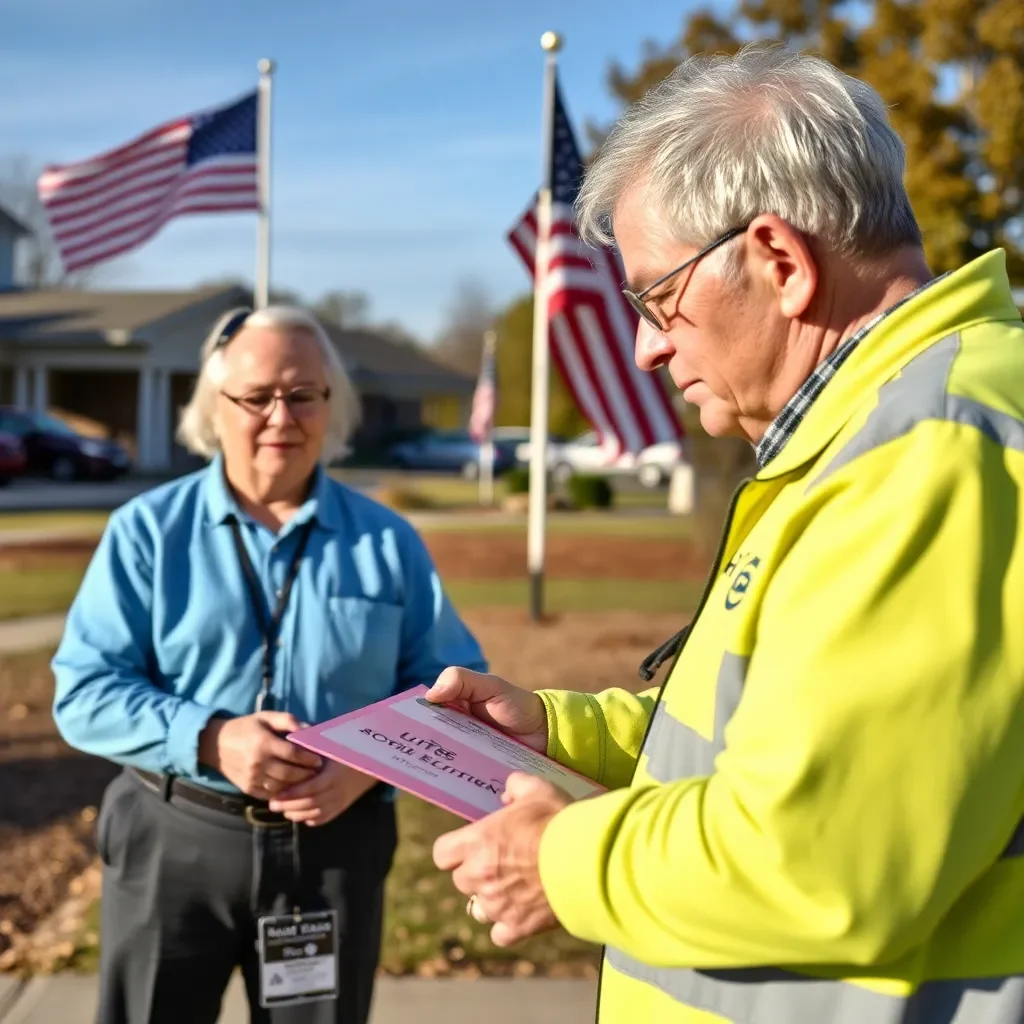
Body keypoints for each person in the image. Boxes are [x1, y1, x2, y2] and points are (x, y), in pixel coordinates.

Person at [427, 43, 1024, 1024]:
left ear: (780, 262)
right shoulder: (879, 431)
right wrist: (560, 735)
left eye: (659, 298)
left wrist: (558, 855)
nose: (645, 346)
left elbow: (832, 855)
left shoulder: (928, 453)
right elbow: (773, 739)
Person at [51, 304, 488, 1024]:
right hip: (174, 836)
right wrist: (211, 737)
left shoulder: (388, 542)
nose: (281, 416)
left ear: (329, 406)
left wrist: (372, 764)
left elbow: (451, 690)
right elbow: (85, 693)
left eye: (303, 394)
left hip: (333, 850)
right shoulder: (146, 533)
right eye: (256, 397)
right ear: (214, 409)